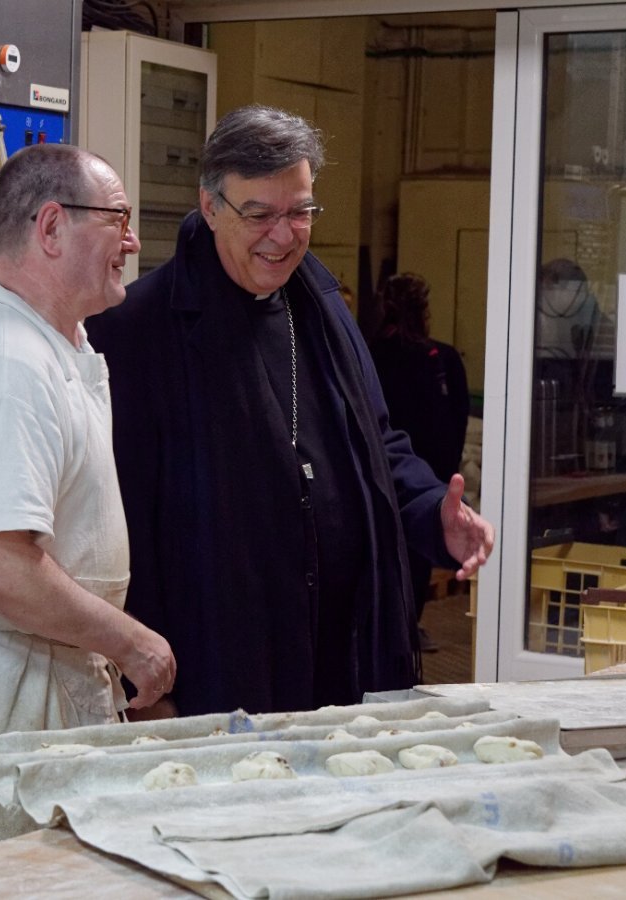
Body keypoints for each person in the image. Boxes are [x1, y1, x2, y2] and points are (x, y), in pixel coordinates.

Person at [86, 105, 494, 718]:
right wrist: (145, 684)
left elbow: (376, 447)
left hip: (342, 658)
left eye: (299, 211)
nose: (284, 235)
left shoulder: (323, 310)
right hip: (218, 664)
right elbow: (122, 527)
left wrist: (433, 512)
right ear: (210, 206)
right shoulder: (135, 330)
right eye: (260, 214)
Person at [0, 143, 176, 865]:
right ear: (52, 228)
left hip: (37, 668)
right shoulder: (7, 361)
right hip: (7, 681)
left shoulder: (52, 340)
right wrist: (130, 642)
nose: (133, 240)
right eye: (117, 218)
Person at [368, 272, 472, 642]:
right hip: (430, 479)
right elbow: (458, 419)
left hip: (380, 478)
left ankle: (393, 628)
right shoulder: (440, 359)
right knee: (417, 557)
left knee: (385, 555)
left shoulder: (367, 356)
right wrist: (443, 476)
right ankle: (408, 626)